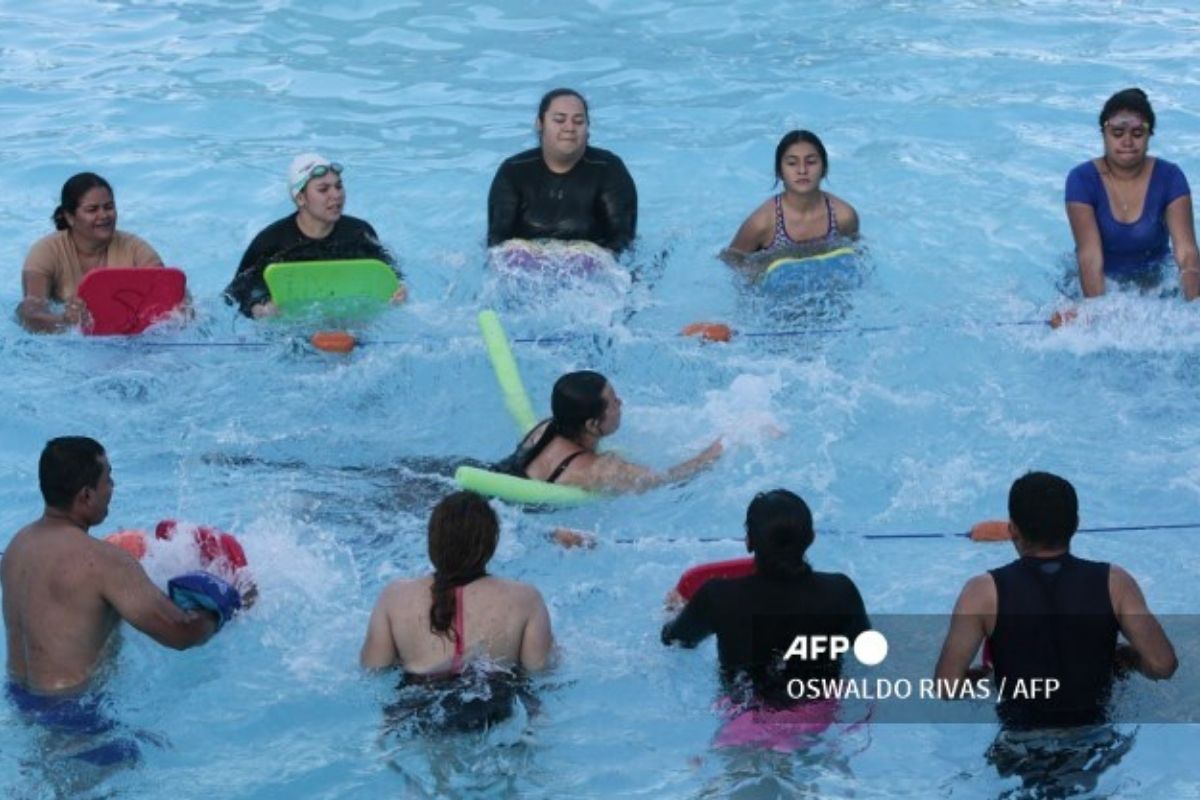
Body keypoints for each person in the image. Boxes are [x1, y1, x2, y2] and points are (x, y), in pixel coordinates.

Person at [2, 437, 242, 763]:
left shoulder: (17, 547)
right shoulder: (104, 562)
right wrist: (222, 604)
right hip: (78, 717)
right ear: (86, 495)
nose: (113, 487)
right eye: (108, 478)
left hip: (22, 702)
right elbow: (180, 633)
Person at [935, 471, 1177, 728]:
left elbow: (947, 687)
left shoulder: (982, 592)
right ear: (1076, 524)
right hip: (1094, 740)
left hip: (1021, 744)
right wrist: (1128, 658)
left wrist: (989, 678)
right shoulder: (1116, 583)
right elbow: (1163, 666)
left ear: (1012, 530)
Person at [661, 490, 869, 747]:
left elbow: (676, 641)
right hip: (821, 719)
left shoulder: (718, 596)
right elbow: (866, 651)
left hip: (745, 724)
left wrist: (672, 612)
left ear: (749, 542)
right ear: (811, 538)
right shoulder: (840, 590)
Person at [360, 491, 552, 732]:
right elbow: (540, 671)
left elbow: (374, 668)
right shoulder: (525, 598)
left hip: (419, 709)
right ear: (490, 545)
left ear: (432, 540)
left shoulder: (394, 596)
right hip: (492, 708)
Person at [224, 153, 407, 318]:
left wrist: (398, 291)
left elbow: (389, 271)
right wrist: (258, 306)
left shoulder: (359, 232)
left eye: (339, 186)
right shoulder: (272, 241)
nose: (336, 195)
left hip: (348, 317)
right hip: (295, 322)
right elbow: (236, 293)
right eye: (323, 189)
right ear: (300, 198)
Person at [1065, 88, 1200, 300]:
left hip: (1154, 284)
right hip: (1096, 283)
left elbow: (1187, 254)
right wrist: (1096, 313)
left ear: (1149, 135)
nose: (1127, 141)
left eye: (1137, 133)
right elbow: (1089, 257)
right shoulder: (1082, 180)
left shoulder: (1170, 178)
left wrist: (1194, 307)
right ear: (1104, 134)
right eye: (1117, 133)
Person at [494, 370, 723, 493]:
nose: (621, 403)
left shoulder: (545, 428)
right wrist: (713, 452)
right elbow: (664, 480)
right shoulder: (599, 469)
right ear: (592, 425)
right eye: (614, 402)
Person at [487, 88, 638, 254]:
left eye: (579, 121)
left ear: (588, 128)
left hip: (591, 266)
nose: (570, 128)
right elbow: (497, 242)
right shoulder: (513, 171)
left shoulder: (608, 169)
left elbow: (623, 240)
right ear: (540, 124)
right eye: (559, 120)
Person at [17, 173, 165, 333]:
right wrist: (65, 322)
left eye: (109, 207)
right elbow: (29, 314)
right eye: (92, 209)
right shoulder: (45, 252)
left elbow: (169, 292)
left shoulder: (136, 249)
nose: (104, 215)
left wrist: (182, 310)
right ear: (69, 217)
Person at [724, 130, 859, 270]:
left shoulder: (843, 216)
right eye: (792, 163)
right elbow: (731, 258)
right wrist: (755, 275)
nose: (802, 170)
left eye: (811, 162)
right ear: (780, 172)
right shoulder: (763, 222)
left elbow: (852, 256)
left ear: (824, 169)